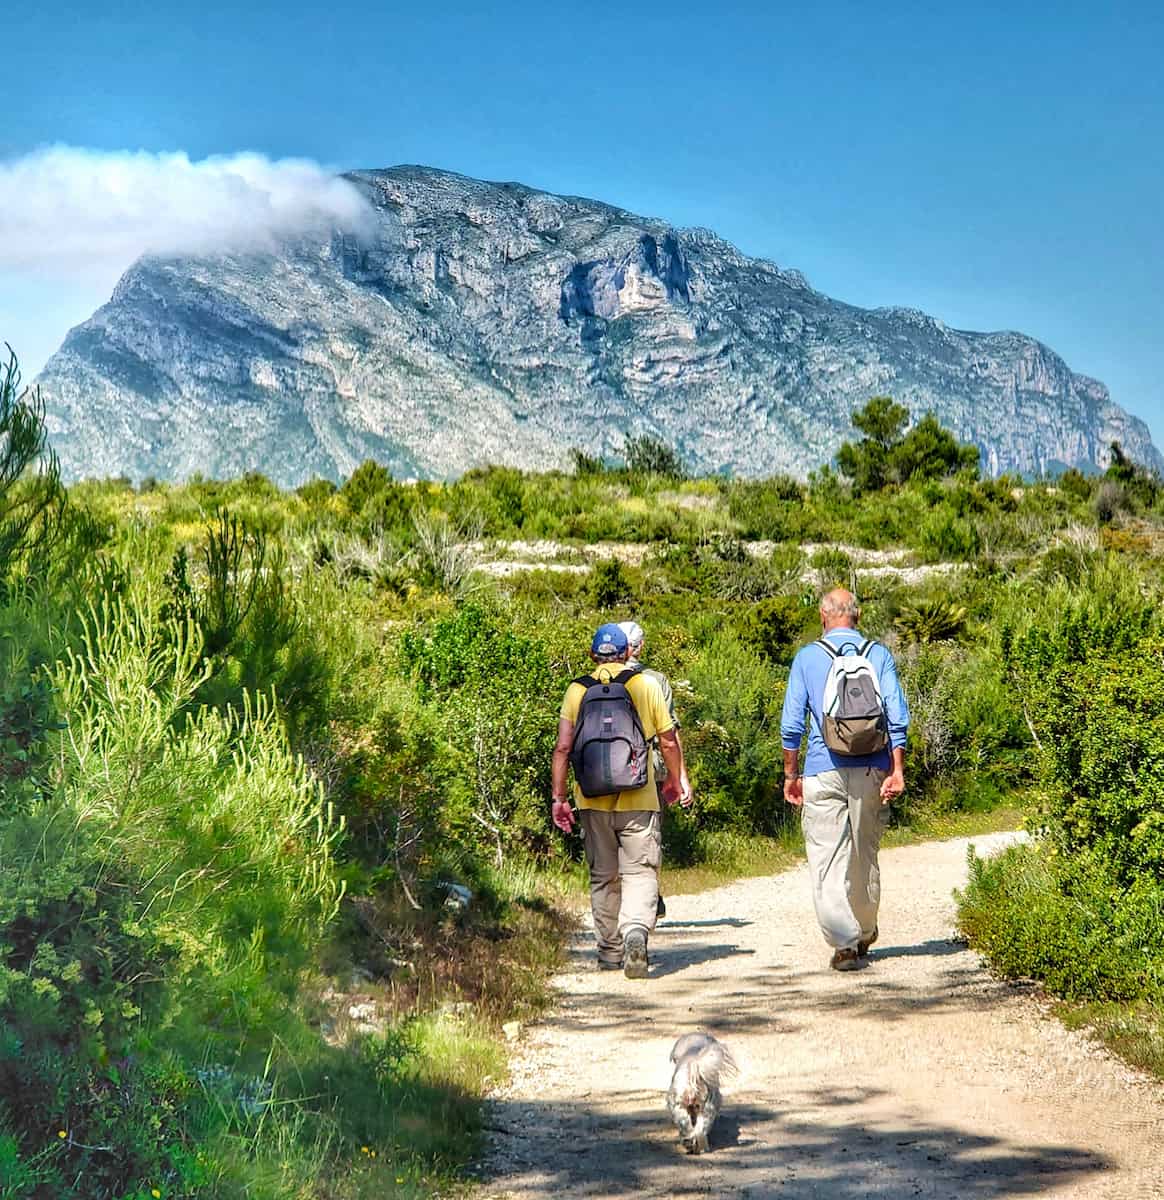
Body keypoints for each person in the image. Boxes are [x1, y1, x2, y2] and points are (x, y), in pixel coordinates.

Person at [552, 623, 691, 978]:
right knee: (640, 870)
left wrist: (559, 798)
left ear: (592, 655)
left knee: (603, 875)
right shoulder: (644, 684)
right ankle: (635, 934)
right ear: (628, 653)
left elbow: (564, 747)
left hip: (590, 797)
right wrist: (676, 780)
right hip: (639, 794)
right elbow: (669, 740)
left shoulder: (576, 690)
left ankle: (610, 952)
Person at [780, 588, 909, 971]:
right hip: (872, 768)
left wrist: (791, 774)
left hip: (822, 767)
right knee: (864, 852)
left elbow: (791, 725)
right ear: (858, 615)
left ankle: (845, 944)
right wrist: (897, 770)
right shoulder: (878, 655)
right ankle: (865, 929)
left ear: (823, 615)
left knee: (826, 857)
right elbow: (897, 717)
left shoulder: (807, 658)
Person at [618, 620, 692, 917]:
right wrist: (681, 778)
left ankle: (625, 899)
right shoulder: (656, 680)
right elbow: (670, 735)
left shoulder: (596, 681)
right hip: (649, 770)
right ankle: (649, 895)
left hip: (605, 773)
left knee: (614, 837)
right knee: (650, 836)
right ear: (640, 646)